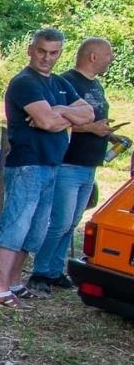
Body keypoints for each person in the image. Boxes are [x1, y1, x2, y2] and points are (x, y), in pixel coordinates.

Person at [0, 28, 94, 308]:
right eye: (42, 51)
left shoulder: (59, 83)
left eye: (54, 53)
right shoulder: (24, 82)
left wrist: (58, 112)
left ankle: (14, 283)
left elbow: (89, 114)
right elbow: (47, 123)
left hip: (51, 163)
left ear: (60, 53)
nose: (47, 58)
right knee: (15, 226)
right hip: (28, 164)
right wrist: (63, 116)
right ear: (31, 50)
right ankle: (0, 291)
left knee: (34, 231)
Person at [30, 37, 115, 290]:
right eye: (108, 55)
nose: (111, 59)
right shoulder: (66, 82)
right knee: (59, 221)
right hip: (69, 162)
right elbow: (55, 120)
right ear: (93, 56)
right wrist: (91, 128)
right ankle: (40, 272)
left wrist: (109, 134)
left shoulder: (96, 85)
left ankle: (55, 270)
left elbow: (92, 120)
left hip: (90, 163)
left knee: (72, 222)